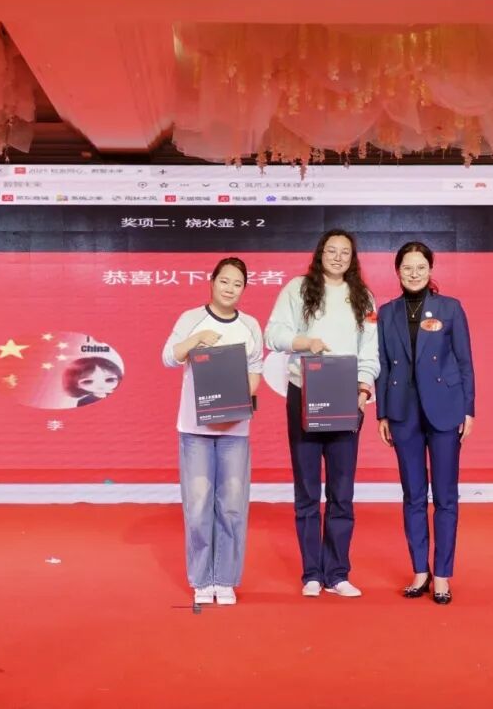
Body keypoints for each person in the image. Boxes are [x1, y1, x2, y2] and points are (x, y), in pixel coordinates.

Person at [266, 229, 379, 598]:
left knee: (342, 490)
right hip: (306, 392)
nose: (338, 257)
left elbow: (370, 349)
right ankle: (311, 574)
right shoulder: (298, 289)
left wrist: (363, 389)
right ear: (320, 254)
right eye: (331, 250)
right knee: (307, 488)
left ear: (352, 258)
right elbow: (273, 334)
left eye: (345, 252)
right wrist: (304, 342)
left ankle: (338, 573)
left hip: (346, 395)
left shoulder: (363, 296)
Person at [375, 241, 475, 605]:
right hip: (403, 412)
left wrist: (468, 409)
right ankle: (420, 570)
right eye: (407, 268)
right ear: (397, 271)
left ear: (430, 269)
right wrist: (382, 412)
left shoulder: (451, 308)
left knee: (445, 496)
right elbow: (382, 365)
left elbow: (464, 361)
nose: (413, 273)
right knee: (413, 495)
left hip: (445, 409)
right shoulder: (387, 313)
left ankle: (443, 574)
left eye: (420, 267)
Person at [162, 257, 264, 606]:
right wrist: (196, 340)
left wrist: (238, 398)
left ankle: (225, 579)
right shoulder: (191, 319)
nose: (230, 289)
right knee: (199, 504)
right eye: (224, 281)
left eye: (237, 284)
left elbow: (256, 371)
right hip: (195, 428)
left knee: (232, 505)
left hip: (235, 429)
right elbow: (168, 356)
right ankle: (202, 580)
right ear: (212, 281)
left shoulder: (250, 325)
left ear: (244, 288)